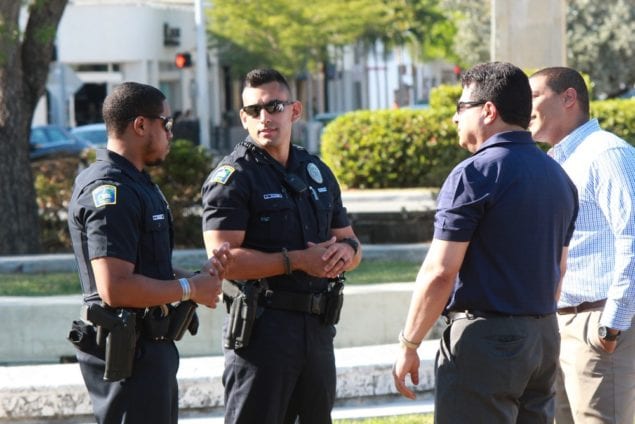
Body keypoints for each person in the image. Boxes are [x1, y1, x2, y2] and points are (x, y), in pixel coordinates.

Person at [392, 62, 579, 423]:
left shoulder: (473, 173)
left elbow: (440, 272)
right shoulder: (558, 176)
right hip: (541, 336)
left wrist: (409, 343)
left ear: (488, 110)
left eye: (462, 108)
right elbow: (559, 269)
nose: (454, 118)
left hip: (487, 339)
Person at [201, 68, 362, 424]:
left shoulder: (315, 170)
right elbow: (222, 261)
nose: (264, 117)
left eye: (273, 106)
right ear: (244, 119)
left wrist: (346, 253)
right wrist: (298, 261)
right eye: (253, 111)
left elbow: (350, 240)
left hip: (317, 329)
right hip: (263, 333)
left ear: (295, 110)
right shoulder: (233, 177)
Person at [67, 81, 230, 424]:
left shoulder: (135, 182)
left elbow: (144, 266)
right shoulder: (110, 191)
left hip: (149, 351)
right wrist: (189, 290)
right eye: (167, 124)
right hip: (128, 359)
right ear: (141, 125)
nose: (171, 133)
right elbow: (116, 287)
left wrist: (193, 278)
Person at [529, 67, 635, 424]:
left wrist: (611, 327)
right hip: (559, 328)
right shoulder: (557, 160)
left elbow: (632, 238)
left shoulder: (607, 153)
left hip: (599, 328)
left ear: (568, 98)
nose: (524, 107)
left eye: (533, 96)